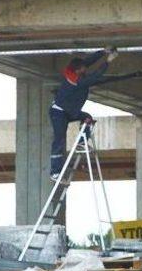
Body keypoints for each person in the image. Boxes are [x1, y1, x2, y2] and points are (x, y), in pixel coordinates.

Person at [49, 47, 118, 183]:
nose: (85, 69)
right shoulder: (76, 81)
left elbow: (87, 62)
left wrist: (103, 52)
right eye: (83, 69)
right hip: (59, 112)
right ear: (78, 71)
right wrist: (108, 62)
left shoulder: (73, 71)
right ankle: (55, 172)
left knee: (88, 119)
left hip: (70, 111)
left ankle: (81, 143)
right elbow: (95, 77)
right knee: (59, 140)